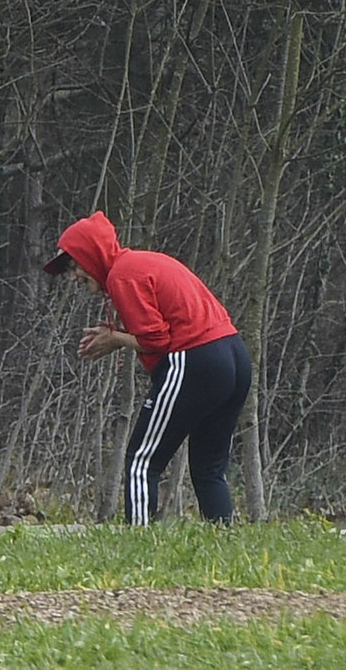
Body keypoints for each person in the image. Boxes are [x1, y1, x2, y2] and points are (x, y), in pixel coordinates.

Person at [43, 210, 251, 526]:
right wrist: (117, 336)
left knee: (141, 461)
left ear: (91, 254)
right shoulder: (144, 261)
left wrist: (114, 339)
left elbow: (157, 340)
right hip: (234, 355)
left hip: (196, 358)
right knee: (209, 468)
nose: (73, 277)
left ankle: (140, 545)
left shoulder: (122, 274)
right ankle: (226, 544)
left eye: (74, 266)